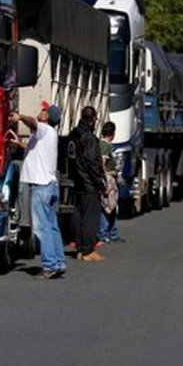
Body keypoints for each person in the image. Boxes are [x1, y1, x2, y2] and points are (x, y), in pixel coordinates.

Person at [10, 102, 66, 279]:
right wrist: (20, 144)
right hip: (50, 185)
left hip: (41, 185)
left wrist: (20, 117)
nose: (41, 112)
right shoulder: (47, 135)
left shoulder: (43, 129)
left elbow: (32, 123)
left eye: (44, 111)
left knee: (42, 228)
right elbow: (35, 152)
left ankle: (49, 265)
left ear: (47, 117)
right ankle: (58, 262)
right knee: (52, 226)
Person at [66, 106, 107, 261]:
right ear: (91, 120)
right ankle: (88, 250)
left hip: (77, 180)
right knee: (90, 217)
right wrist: (100, 183)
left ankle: (79, 247)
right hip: (88, 182)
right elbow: (92, 163)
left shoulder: (73, 135)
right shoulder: (88, 138)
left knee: (79, 215)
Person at [98, 121, 124, 244]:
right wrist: (105, 181)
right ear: (112, 134)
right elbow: (102, 163)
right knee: (107, 206)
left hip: (111, 177)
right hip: (107, 178)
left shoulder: (106, 145)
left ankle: (111, 232)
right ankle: (104, 233)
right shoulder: (104, 146)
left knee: (112, 206)